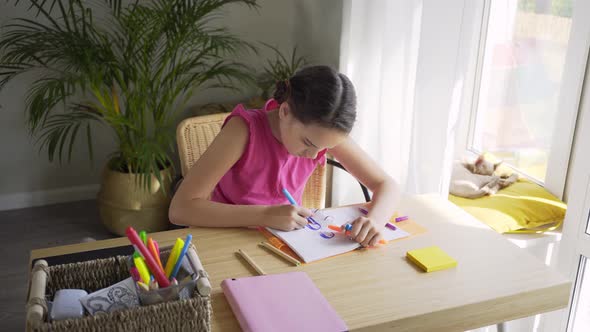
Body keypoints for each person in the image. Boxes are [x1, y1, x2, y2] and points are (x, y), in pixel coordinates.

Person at [169, 65, 399, 247]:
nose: (314, 156)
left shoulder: (323, 134)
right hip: (226, 241)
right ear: (285, 111)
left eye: (325, 148)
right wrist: (265, 215)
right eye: (308, 144)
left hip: (283, 243)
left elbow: (387, 185)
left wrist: (375, 221)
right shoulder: (243, 131)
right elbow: (180, 209)